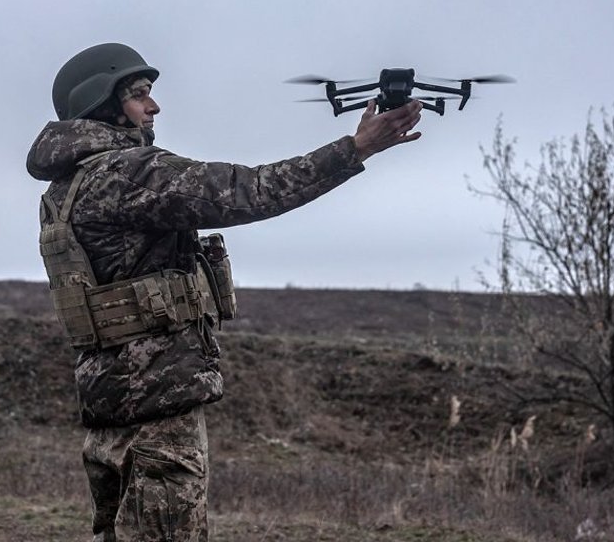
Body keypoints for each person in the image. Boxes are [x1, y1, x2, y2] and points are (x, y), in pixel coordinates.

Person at [26, 42, 422, 541]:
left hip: (110, 399)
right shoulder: (126, 174)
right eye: (140, 94)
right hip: (156, 402)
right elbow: (248, 191)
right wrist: (355, 148)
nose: (154, 107)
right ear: (102, 105)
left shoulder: (63, 191)